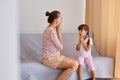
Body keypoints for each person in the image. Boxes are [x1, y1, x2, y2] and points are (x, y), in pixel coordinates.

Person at [41, 10, 79, 80]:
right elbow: (61, 47)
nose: (61, 20)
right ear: (56, 20)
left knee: (74, 66)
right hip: (50, 59)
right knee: (75, 63)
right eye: (60, 18)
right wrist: (59, 32)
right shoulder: (51, 31)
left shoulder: (50, 29)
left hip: (52, 57)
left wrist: (57, 30)